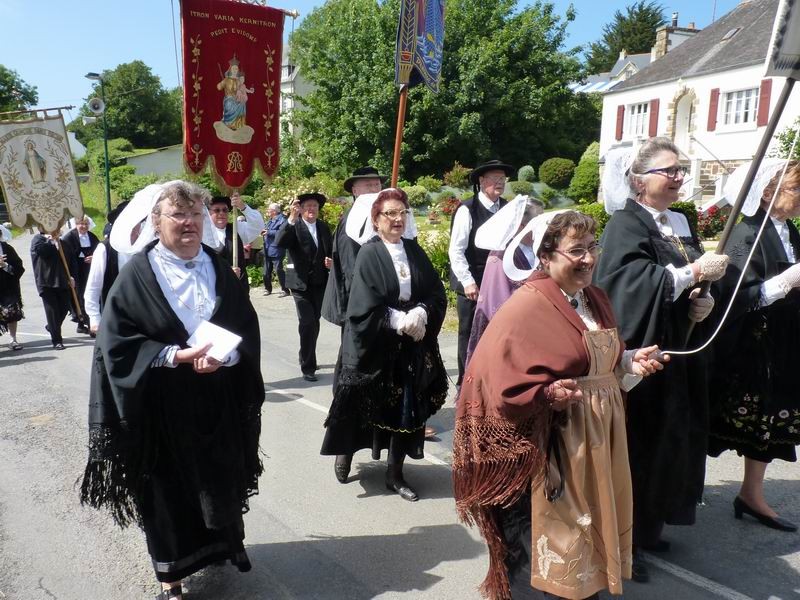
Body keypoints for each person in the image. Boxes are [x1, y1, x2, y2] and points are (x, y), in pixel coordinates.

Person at [454, 211, 669, 600]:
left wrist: (628, 361)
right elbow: (499, 382)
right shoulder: (527, 308)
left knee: (585, 540)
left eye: (591, 247)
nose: (588, 258)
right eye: (575, 251)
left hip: (593, 442)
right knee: (546, 552)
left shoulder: (594, 298)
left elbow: (596, 360)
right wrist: (547, 396)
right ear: (545, 256)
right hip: (547, 450)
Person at [79, 181, 264, 600]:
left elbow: (244, 328)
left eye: (195, 215)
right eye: (178, 215)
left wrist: (227, 357)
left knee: (217, 479)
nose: (190, 223)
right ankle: (172, 578)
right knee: (167, 492)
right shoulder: (135, 278)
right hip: (161, 405)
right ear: (156, 222)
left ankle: (221, 548)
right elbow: (116, 344)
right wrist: (173, 356)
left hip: (215, 399)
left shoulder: (219, 269)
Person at [593, 137, 729, 581]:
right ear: (638, 178)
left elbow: (687, 282)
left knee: (670, 439)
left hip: (678, 348)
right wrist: (692, 273)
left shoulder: (678, 222)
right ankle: (622, 539)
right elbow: (627, 285)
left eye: (679, 170)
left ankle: (650, 525)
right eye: (667, 170)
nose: (677, 177)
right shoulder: (624, 224)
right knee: (639, 443)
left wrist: (700, 301)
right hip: (644, 353)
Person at [321, 188, 447, 501]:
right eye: (389, 213)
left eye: (402, 213)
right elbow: (362, 305)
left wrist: (420, 312)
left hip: (408, 347)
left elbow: (435, 291)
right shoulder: (369, 253)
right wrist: (396, 320)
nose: (397, 219)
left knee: (404, 410)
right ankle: (346, 452)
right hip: (374, 344)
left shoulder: (414, 251)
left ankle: (395, 473)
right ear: (376, 220)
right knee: (361, 404)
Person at [708, 159, 800, 532]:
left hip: (783, 344)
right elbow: (736, 298)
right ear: (768, 192)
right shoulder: (745, 233)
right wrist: (787, 281)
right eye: (796, 188)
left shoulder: (789, 229)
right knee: (736, 421)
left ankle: (750, 492)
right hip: (751, 348)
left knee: (770, 424)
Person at [448, 159, 514, 385]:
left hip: (500, 281)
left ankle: (494, 380)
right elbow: (456, 250)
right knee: (469, 332)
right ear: (481, 181)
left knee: (499, 330)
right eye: (494, 178)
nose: (499, 182)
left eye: (502, 179)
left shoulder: (508, 208)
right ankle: (466, 383)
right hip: (473, 282)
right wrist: (467, 282)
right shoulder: (467, 209)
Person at [464, 194, 544, 367]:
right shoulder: (502, 257)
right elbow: (498, 300)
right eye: (538, 223)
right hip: (513, 330)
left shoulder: (535, 249)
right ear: (521, 226)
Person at [276, 192, 333, 382]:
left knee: (314, 322)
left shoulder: (323, 227)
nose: (311, 209)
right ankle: (308, 366)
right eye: (307, 206)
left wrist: (330, 262)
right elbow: (280, 242)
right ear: (300, 209)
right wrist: (291, 219)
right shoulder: (295, 225)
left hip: (319, 282)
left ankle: (306, 354)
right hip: (299, 284)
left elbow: (331, 250)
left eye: (314, 206)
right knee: (307, 322)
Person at [322, 166, 387, 327]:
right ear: (355, 191)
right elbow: (350, 268)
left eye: (377, 185)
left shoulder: (379, 216)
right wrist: (364, 304)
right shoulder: (352, 221)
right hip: (358, 302)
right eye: (368, 185)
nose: (374, 190)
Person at [83, 201, 140, 335]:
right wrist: (95, 318)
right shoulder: (105, 249)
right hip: (114, 315)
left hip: (142, 315)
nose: (135, 228)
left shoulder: (146, 248)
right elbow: (93, 286)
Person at [209, 193, 265, 290]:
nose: (221, 213)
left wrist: (243, 207)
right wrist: (226, 272)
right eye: (217, 210)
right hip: (215, 287)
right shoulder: (202, 233)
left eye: (225, 210)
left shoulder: (236, 228)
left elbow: (258, 225)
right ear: (209, 213)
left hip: (239, 286)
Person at [31, 227, 74, 350]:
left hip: (62, 281)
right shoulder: (38, 240)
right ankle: (57, 340)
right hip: (46, 282)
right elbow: (42, 252)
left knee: (65, 308)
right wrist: (50, 241)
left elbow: (69, 261)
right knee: (53, 312)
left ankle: (52, 327)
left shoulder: (62, 242)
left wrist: (71, 276)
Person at [61, 215, 99, 333]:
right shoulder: (69, 238)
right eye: (81, 224)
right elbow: (65, 257)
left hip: (89, 271)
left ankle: (85, 323)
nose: (83, 226)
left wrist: (94, 257)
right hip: (76, 272)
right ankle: (84, 322)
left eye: (86, 224)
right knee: (79, 296)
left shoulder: (92, 237)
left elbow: (99, 251)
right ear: (76, 224)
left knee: (89, 295)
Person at [0, 224, 25, 350]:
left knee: (12, 313)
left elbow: (19, 268)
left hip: (8, 287)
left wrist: (4, 265)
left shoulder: (8, 249)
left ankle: (13, 339)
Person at [262, 202, 288, 297]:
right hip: (267, 248)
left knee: (279, 270)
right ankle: (267, 289)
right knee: (266, 271)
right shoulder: (270, 220)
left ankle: (285, 290)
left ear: (274, 211)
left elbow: (282, 232)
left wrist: (268, 232)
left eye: (269, 209)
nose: (268, 211)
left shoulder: (282, 219)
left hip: (277, 249)